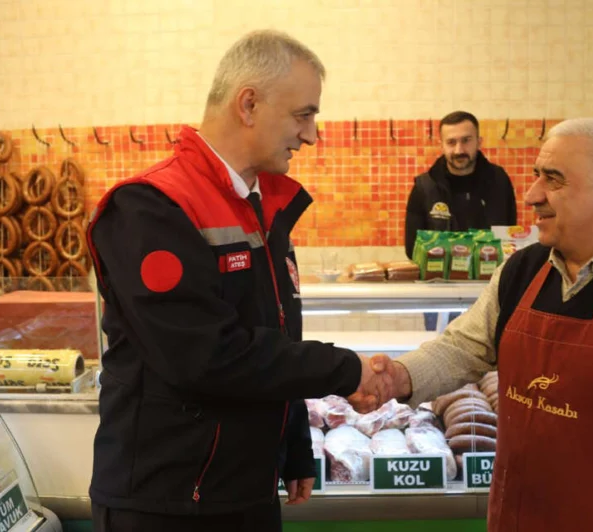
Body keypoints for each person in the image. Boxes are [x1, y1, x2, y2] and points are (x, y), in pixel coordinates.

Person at [354, 118, 593, 531]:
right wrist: (398, 377)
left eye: (553, 180)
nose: (532, 195)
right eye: (536, 176)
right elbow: (460, 348)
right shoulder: (523, 271)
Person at [86, 30, 388, 532]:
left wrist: (293, 445)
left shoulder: (261, 204)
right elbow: (205, 357)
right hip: (167, 502)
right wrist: (343, 369)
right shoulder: (150, 208)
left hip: (245, 491)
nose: (311, 135)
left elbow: (271, 336)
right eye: (303, 114)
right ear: (248, 104)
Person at [404, 111, 517, 330]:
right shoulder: (424, 188)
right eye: (451, 142)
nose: (459, 150)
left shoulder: (499, 182)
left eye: (466, 140)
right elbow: (412, 249)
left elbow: (508, 238)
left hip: (490, 295)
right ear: (441, 145)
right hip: (439, 298)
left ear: (479, 141)